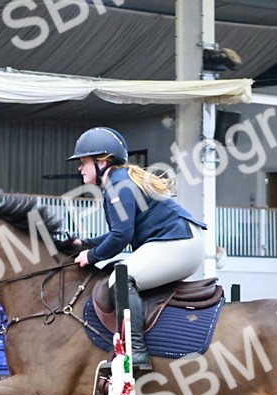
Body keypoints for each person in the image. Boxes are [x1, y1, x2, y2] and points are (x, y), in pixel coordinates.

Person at [67, 127, 207, 368]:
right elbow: (118, 233)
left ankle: (138, 351)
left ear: (102, 162)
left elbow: (121, 237)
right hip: (179, 242)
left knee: (118, 280)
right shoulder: (120, 181)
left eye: (83, 162)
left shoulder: (118, 186)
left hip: (179, 243)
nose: (80, 168)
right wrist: (87, 244)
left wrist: (90, 256)